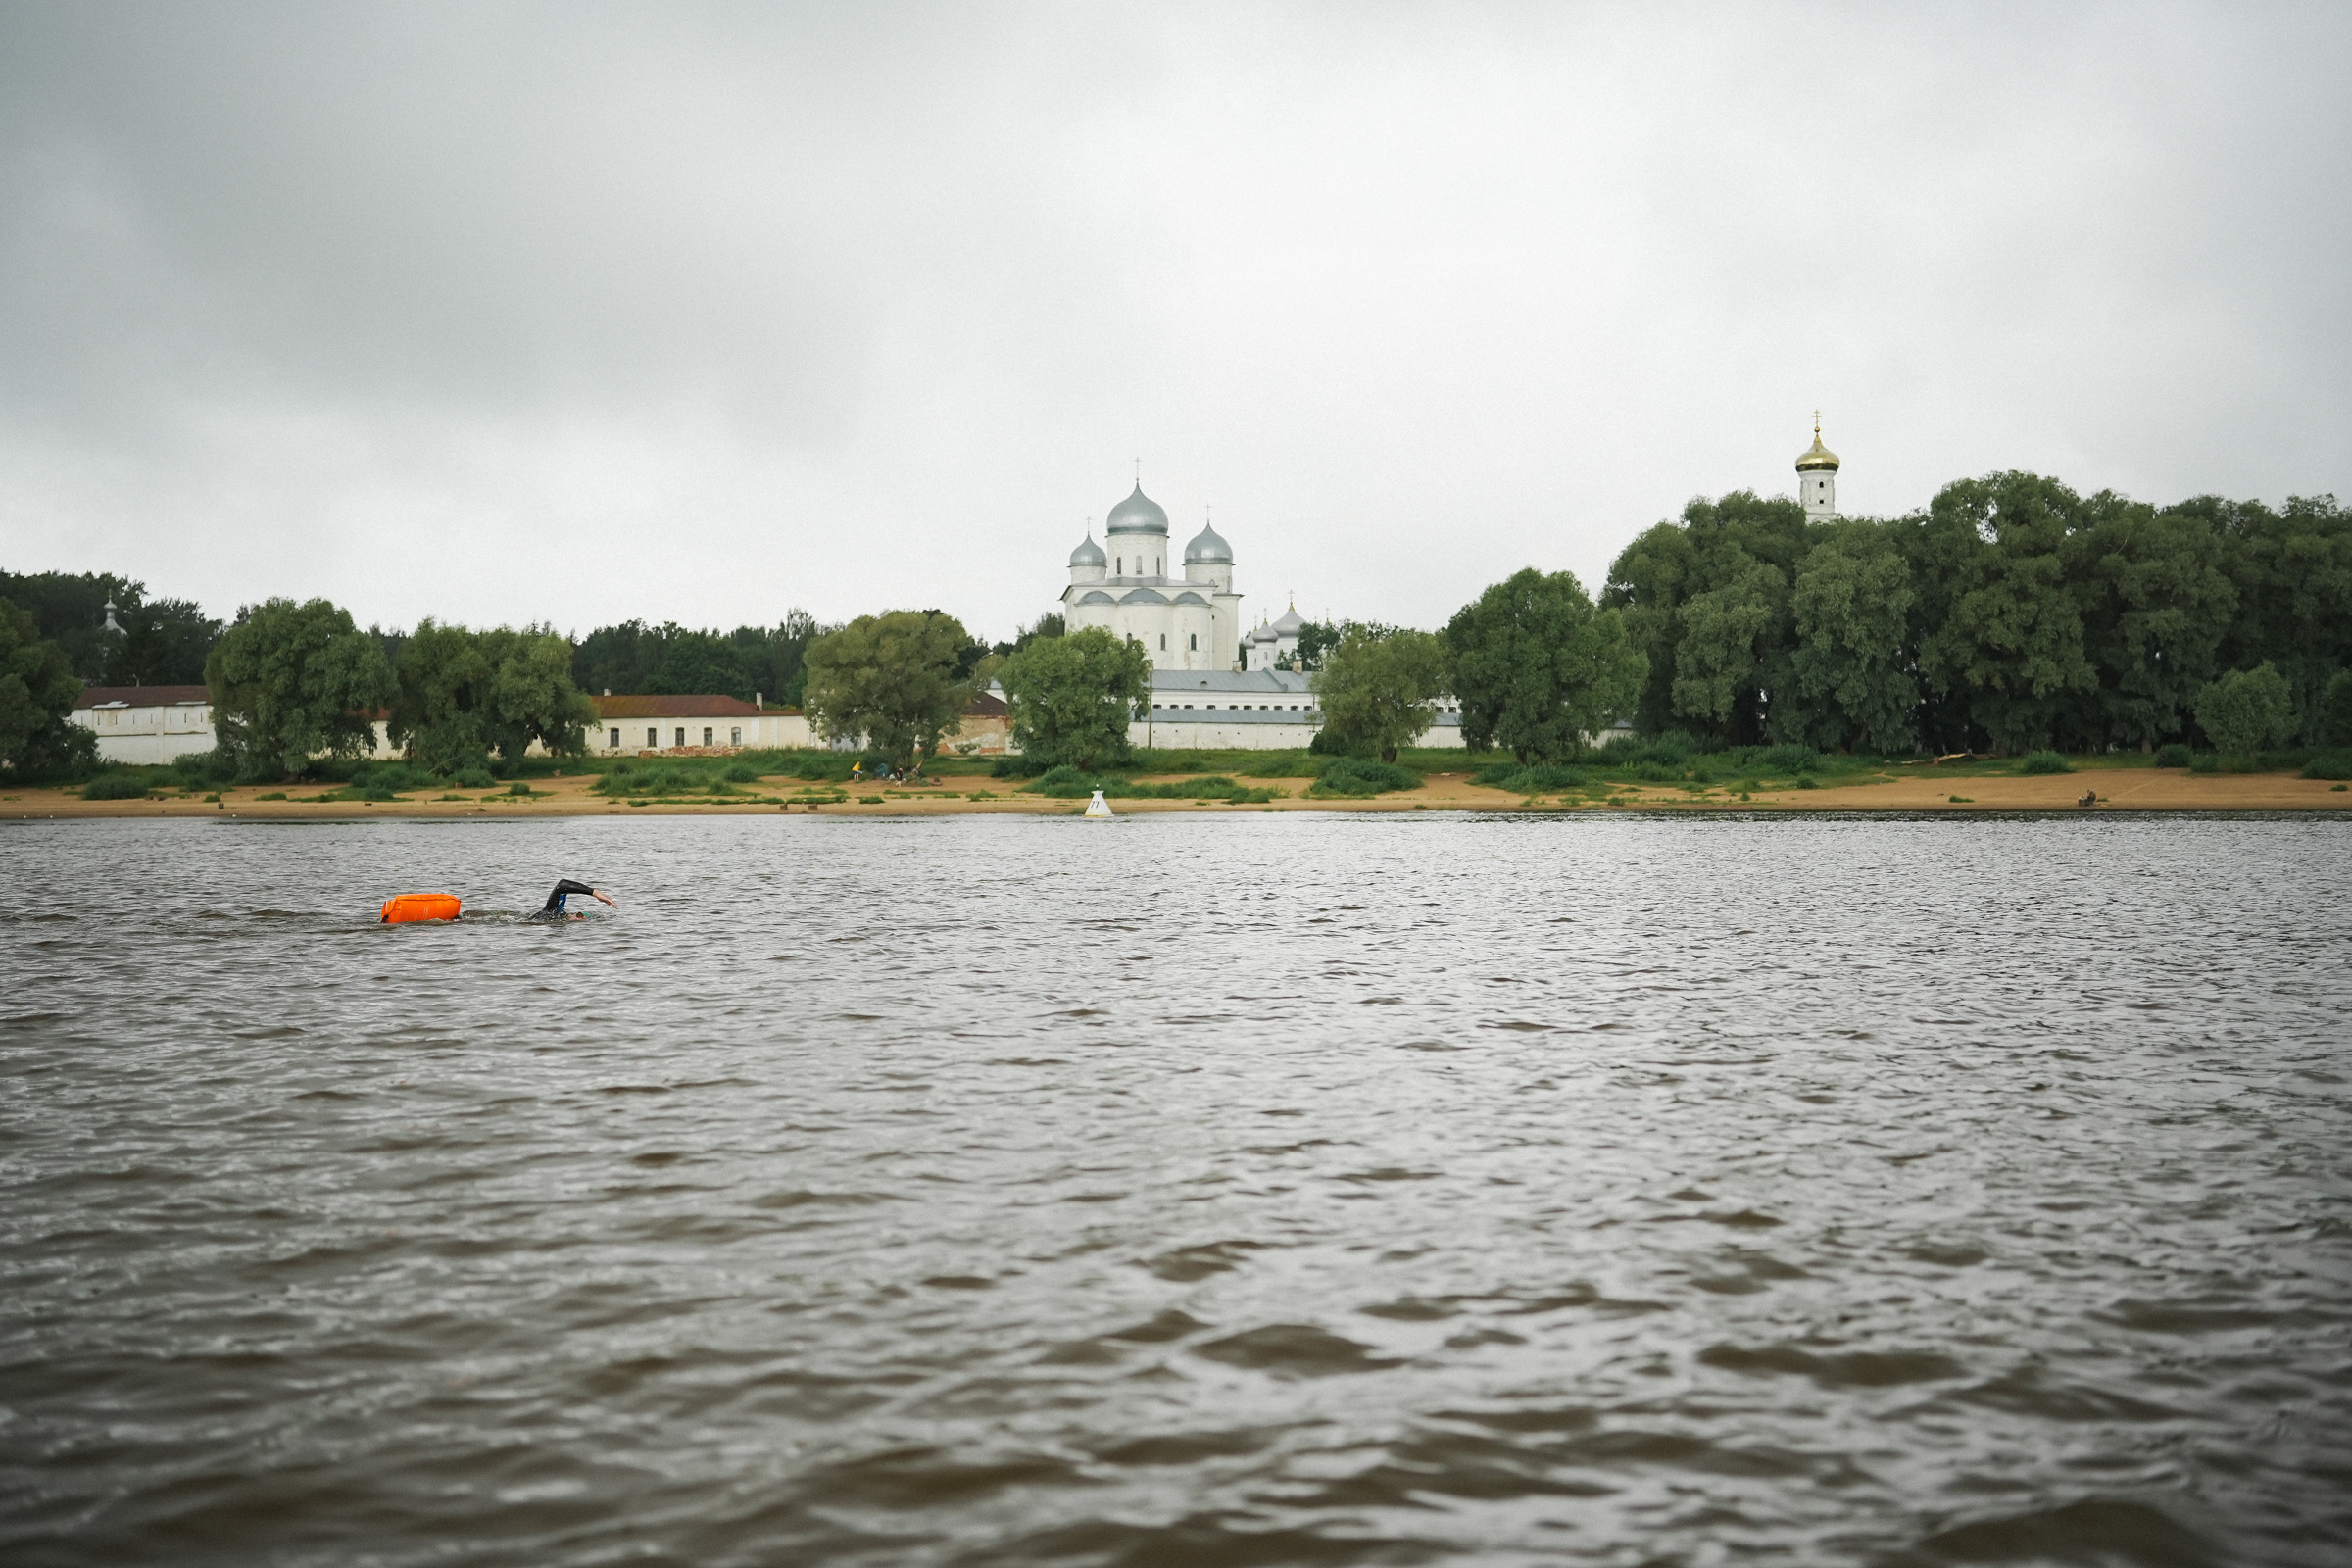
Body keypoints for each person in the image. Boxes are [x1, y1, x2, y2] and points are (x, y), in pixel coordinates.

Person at [533, 879, 618, 920]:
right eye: (579, 916)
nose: (578, 918)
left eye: (579, 916)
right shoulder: (549, 915)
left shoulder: (560, 914)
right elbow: (562, 885)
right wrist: (595, 892)